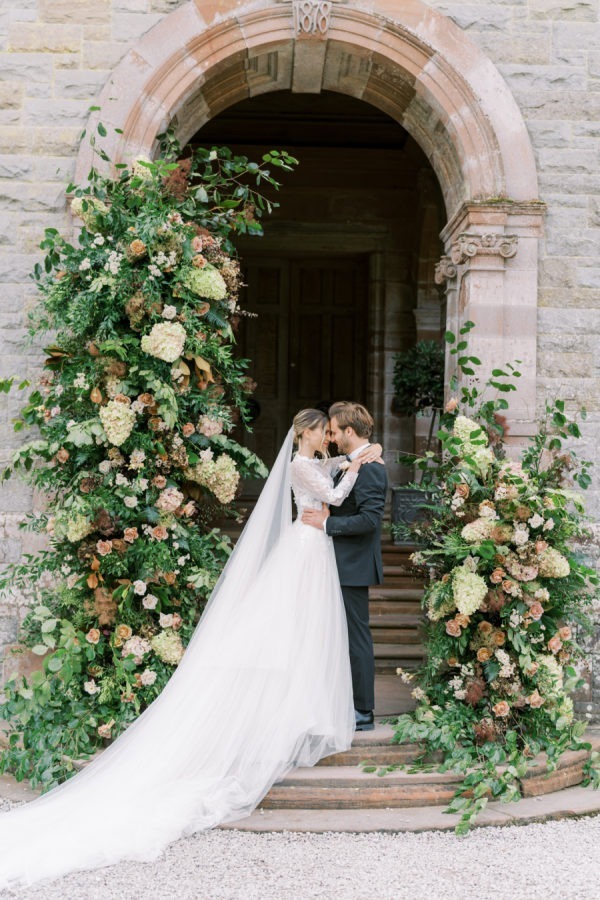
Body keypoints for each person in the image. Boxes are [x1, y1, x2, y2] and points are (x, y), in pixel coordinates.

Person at [0, 408, 383, 889]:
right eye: (322, 429)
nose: (327, 436)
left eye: (332, 430)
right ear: (306, 433)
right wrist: (354, 466)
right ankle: (290, 706)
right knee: (294, 629)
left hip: (313, 550)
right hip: (307, 547)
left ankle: (304, 702)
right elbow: (331, 492)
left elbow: (334, 473)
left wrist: (364, 455)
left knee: (308, 631)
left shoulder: (318, 460)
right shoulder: (300, 465)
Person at [302, 401, 388, 731]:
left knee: (356, 638)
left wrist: (327, 524)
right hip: (332, 562)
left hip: (353, 564)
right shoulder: (352, 462)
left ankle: (363, 711)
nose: (332, 437)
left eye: (335, 432)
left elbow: (369, 520)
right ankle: (338, 701)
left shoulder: (372, 468)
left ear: (349, 432)